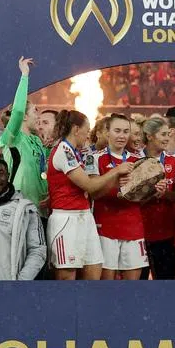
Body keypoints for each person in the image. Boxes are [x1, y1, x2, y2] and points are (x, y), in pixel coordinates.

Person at [46, 110, 135, 281]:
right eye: (86, 130)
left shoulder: (74, 151)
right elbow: (88, 185)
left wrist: (116, 182)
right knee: (67, 276)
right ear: (76, 129)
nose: (88, 135)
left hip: (85, 216)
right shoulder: (64, 150)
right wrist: (116, 171)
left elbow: (92, 191)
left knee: (95, 268)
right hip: (66, 219)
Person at [90, 114, 149, 280]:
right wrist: (115, 182)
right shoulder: (95, 158)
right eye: (117, 131)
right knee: (106, 285)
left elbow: (143, 198)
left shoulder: (139, 160)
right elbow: (93, 194)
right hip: (106, 227)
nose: (122, 136)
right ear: (107, 132)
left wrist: (155, 190)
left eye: (125, 131)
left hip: (133, 227)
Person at [0, 57, 48, 207]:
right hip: (18, 210)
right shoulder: (14, 138)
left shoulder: (38, 142)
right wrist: (24, 76)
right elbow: (18, 111)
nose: (39, 115)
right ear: (24, 117)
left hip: (40, 211)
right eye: (35, 110)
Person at [140, 117, 175, 280]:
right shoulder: (134, 160)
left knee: (166, 280)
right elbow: (127, 198)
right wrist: (149, 193)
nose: (167, 138)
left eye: (168, 134)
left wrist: (164, 193)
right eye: (163, 134)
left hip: (166, 231)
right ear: (150, 136)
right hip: (140, 231)